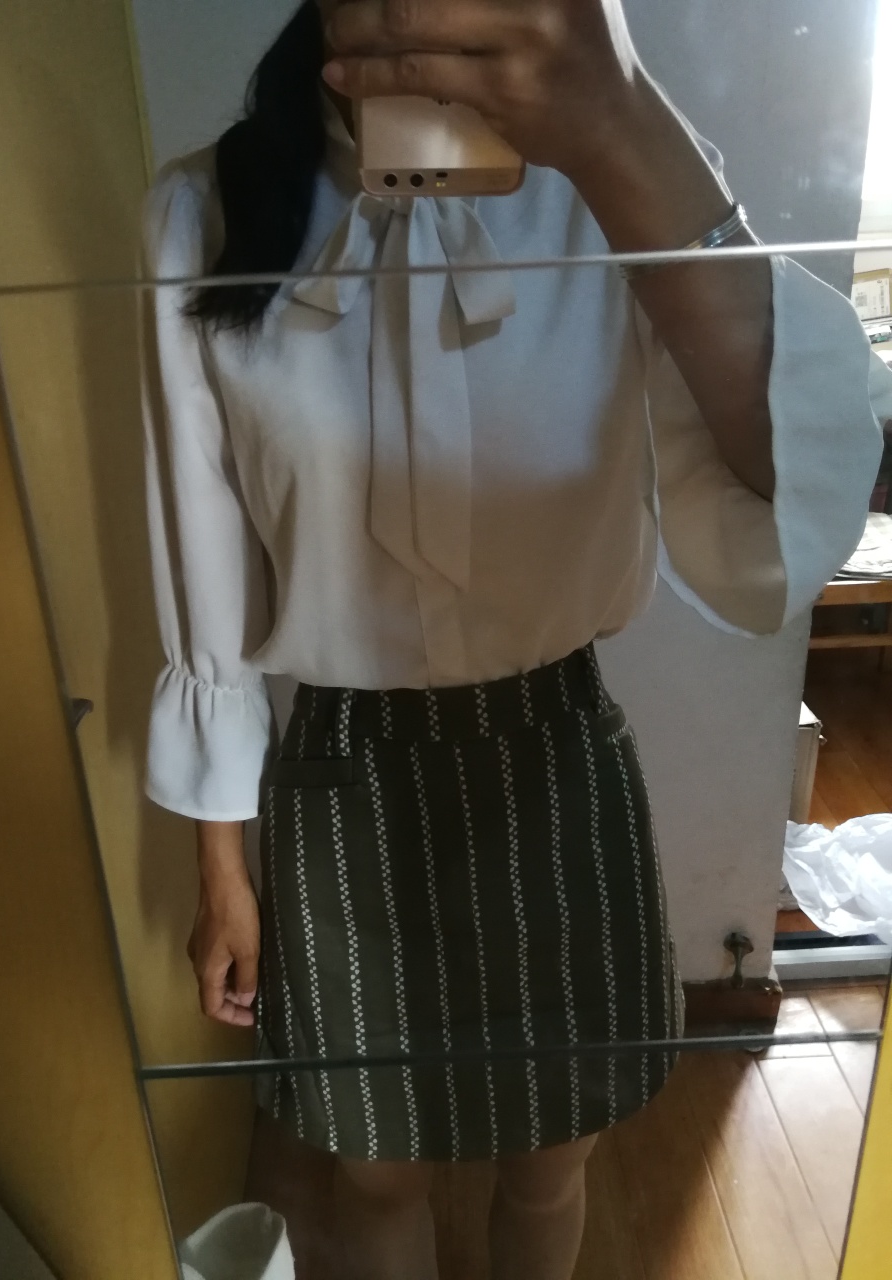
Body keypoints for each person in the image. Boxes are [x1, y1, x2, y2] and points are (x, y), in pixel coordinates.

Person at [140, 2, 886, 1276]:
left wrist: (627, 129)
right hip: (342, 777)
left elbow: (784, 498)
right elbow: (198, 568)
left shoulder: (616, 186)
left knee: (554, 1155)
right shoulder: (201, 213)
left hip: (554, 757)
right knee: (375, 1167)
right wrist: (223, 869)